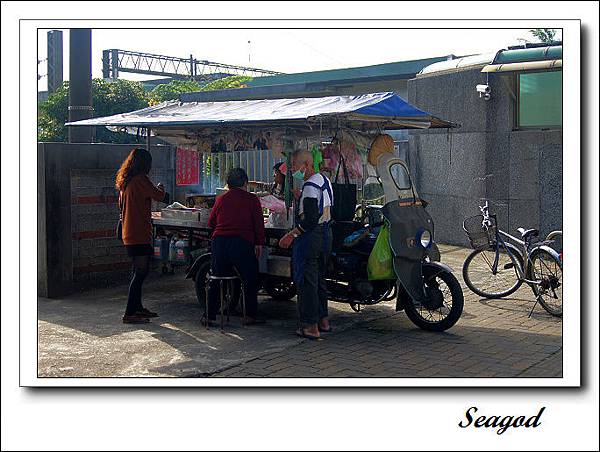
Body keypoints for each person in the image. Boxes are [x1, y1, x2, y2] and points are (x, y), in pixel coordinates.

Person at [279, 150, 333, 339]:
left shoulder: (310, 186)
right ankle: (322, 320)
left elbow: (310, 219)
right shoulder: (324, 181)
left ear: (307, 165)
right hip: (326, 235)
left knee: (307, 282)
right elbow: (319, 206)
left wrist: (291, 235)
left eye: (294, 164)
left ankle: (310, 326)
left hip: (311, 238)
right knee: (319, 280)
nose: (292, 168)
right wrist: (301, 195)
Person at [206, 168, 266, 325]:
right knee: (250, 278)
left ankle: (209, 316)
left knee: (216, 278)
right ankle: (249, 316)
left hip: (220, 243)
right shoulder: (252, 199)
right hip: (242, 242)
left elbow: (211, 222)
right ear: (245, 183)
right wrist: (259, 242)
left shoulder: (221, 199)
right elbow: (259, 223)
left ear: (228, 184)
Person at [115, 148, 167, 324]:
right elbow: (159, 196)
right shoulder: (140, 180)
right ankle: (130, 312)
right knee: (141, 272)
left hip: (129, 232)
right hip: (138, 233)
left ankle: (137, 307)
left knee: (137, 271)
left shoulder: (125, 181)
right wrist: (160, 187)